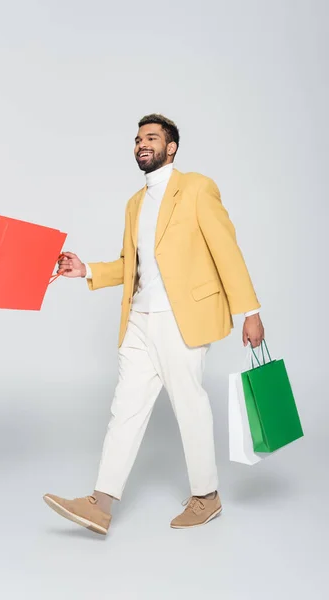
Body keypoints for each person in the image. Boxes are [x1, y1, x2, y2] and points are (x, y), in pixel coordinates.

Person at [43, 114, 264, 535]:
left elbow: (226, 251)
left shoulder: (197, 188)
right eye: (137, 139)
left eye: (151, 138)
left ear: (171, 147)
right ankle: (100, 504)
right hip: (140, 320)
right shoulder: (135, 203)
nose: (142, 144)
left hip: (182, 319)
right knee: (125, 409)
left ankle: (207, 496)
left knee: (189, 404)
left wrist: (250, 310)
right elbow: (132, 266)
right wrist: (86, 268)